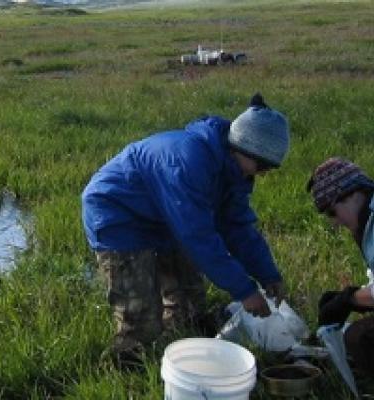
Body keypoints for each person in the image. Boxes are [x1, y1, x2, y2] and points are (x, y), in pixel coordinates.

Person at [81, 93, 290, 366]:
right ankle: (126, 367)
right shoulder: (189, 161)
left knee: (189, 304)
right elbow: (198, 237)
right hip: (119, 215)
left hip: (164, 217)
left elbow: (237, 227)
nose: (262, 174)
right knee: (141, 317)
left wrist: (268, 274)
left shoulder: (235, 172)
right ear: (241, 147)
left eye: (269, 168)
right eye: (261, 165)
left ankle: (180, 355)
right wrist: (245, 291)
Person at [308, 158, 374, 374]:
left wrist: (349, 299)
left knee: (360, 338)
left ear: (354, 194)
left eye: (332, 212)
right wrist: (349, 299)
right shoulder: (367, 222)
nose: (334, 222)